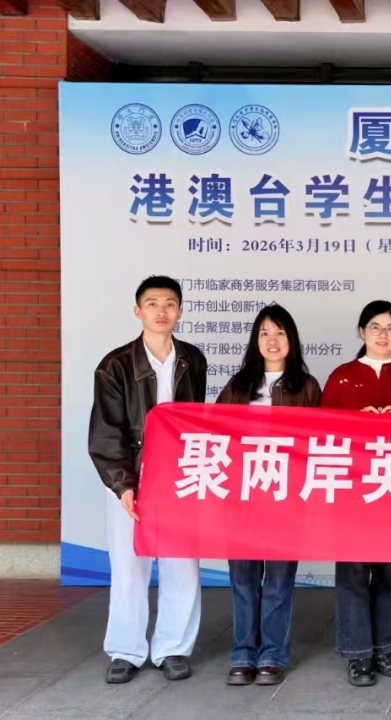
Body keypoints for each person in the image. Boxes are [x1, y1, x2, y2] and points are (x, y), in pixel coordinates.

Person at [88, 275, 207, 684]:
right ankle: (126, 650)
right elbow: (106, 432)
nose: (162, 311)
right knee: (129, 566)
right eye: (153, 303)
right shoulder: (116, 365)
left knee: (182, 564)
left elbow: (195, 422)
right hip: (132, 478)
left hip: (180, 477)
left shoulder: (193, 359)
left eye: (170, 303)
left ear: (180, 311)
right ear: (138, 311)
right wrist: (123, 484)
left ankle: (173, 648)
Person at [321, 300, 391, 686]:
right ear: (361, 331)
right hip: (351, 490)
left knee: (388, 573)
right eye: (375, 327)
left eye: (390, 328)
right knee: (353, 572)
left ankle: (384, 649)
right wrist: (355, 422)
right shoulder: (342, 376)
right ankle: (357, 655)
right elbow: (321, 433)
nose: (382, 335)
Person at [216, 304, 322, 686]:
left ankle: (272, 655)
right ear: (255, 341)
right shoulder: (238, 385)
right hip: (242, 499)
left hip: (286, 500)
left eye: (279, 332)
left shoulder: (307, 387)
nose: (272, 340)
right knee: (243, 579)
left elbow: (320, 442)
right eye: (264, 333)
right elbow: (214, 434)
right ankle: (243, 653)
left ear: (291, 340)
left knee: (278, 582)